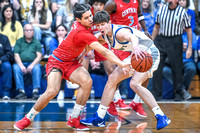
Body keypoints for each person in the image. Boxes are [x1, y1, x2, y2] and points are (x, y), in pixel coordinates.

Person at [13, 3, 131, 131]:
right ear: (78, 20)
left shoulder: (87, 25)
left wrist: (84, 51)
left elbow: (97, 38)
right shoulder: (81, 31)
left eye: (90, 16)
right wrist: (122, 63)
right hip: (57, 61)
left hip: (72, 61)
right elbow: (104, 51)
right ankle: (28, 118)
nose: (91, 19)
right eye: (86, 18)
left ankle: (74, 119)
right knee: (52, 91)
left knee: (87, 82)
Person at [80, 10, 171, 130]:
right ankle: (99, 117)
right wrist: (83, 54)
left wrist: (135, 47)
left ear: (109, 22)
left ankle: (161, 116)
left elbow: (132, 37)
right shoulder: (103, 35)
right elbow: (90, 43)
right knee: (112, 78)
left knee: (134, 84)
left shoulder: (119, 32)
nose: (100, 27)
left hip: (149, 52)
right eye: (97, 25)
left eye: (102, 24)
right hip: (135, 55)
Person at [104, 0, 151, 117]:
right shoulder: (112, 3)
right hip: (121, 41)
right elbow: (102, 20)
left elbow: (139, 14)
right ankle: (112, 101)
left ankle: (137, 102)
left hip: (135, 39)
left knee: (147, 68)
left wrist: (145, 30)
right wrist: (108, 39)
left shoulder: (136, 1)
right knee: (119, 74)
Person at [151, 0, 192, 101]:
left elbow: (188, 29)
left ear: (177, 1)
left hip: (175, 40)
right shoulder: (161, 9)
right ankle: (157, 95)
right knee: (157, 67)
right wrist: (151, 41)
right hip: (161, 40)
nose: (169, 0)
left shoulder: (182, 12)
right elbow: (156, 27)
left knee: (177, 68)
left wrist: (189, 47)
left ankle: (178, 93)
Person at [13, 24, 43, 99]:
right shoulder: (19, 41)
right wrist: (21, 66)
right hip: (21, 63)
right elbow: (16, 55)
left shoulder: (36, 42)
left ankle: (35, 91)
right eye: (27, 30)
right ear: (24, 32)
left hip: (33, 64)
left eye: (31, 30)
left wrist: (32, 65)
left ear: (33, 32)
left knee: (37, 68)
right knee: (16, 67)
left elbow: (39, 56)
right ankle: (21, 92)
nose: (29, 32)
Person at [0, 33, 13, 100]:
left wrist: (1, 60)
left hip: (2, 61)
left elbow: (9, 53)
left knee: (7, 67)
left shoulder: (4, 38)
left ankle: (6, 93)